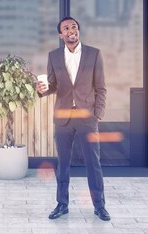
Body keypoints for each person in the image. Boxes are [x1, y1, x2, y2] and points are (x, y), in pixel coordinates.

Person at [37, 16, 110, 222]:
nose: (71, 30)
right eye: (66, 28)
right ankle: (62, 204)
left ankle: (99, 205)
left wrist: (97, 114)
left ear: (78, 31)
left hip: (87, 118)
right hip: (63, 118)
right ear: (61, 35)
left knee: (93, 163)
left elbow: (101, 87)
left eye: (74, 27)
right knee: (63, 164)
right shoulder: (53, 56)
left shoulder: (94, 54)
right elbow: (53, 85)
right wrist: (42, 90)